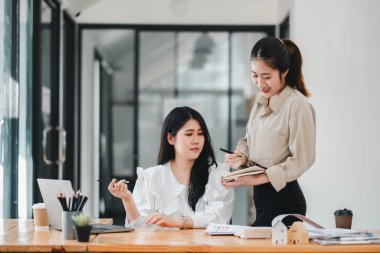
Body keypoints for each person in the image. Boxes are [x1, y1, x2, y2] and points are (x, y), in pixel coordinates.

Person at [222, 37, 316, 227]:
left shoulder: (297, 106)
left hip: (285, 203)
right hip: (262, 202)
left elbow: (303, 159)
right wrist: (241, 156)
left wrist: (257, 179)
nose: (260, 83)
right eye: (255, 75)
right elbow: (249, 140)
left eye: (266, 76)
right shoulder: (260, 100)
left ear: (284, 72)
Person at [108, 106, 234, 229]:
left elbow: (219, 218)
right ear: (170, 138)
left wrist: (177, 221)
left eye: (200, 134)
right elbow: (140, 228)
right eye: (189, 134)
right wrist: (127, 199)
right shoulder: (152, 177)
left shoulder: (217, 174)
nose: (196, 140)